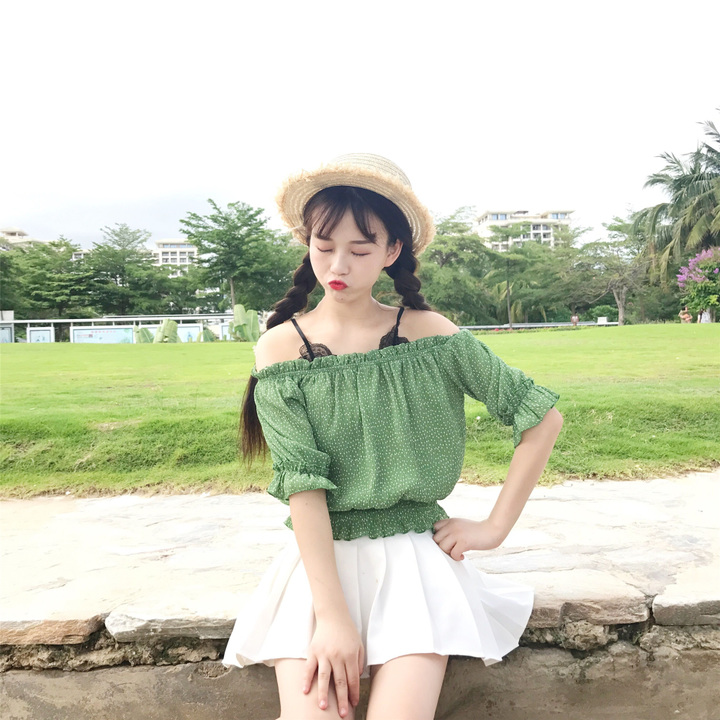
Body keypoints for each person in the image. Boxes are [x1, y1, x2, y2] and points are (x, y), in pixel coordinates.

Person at [223, 153, 563, 720]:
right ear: (307, 242)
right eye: (324, 245)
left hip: (416, 567)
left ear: (391, 251)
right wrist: (333, 619)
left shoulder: (433, 336)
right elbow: (303, 485)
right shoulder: (280, 347)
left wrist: (493, 528)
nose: (339, 265)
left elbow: (540, 417)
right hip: (319, 569)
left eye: (360, 250)